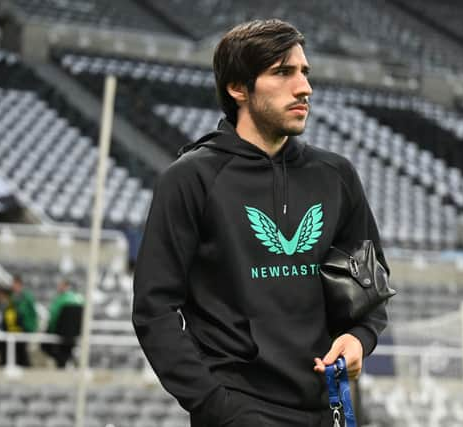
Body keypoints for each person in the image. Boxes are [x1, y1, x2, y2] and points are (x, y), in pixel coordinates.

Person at [133, 19, 388, 427]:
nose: (304, 87)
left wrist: (360, 339)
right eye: (283, 72)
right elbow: (154, 310)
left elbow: (367, 291)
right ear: (238, 88)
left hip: (326, 407)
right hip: (238, 409)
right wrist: (215, 405)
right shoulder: (189, 179)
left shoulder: (336, 175)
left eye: (304, 72)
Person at [41, 279, 84, 368]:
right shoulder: (80, 299)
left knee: (44, 346)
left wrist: (50, 331)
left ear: (65, 286)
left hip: (61, 336)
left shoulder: (60, 300)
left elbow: (53, 318)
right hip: (74, 336)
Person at [0, 285, 24, 366]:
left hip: (12, 333)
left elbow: (16, 321)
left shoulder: (12, 306)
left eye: (1, 294)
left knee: (15, 354)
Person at [10, 274, 37, 367]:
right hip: (14, 327)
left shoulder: (26, 297)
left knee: (21, 349)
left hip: (25, 327)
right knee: (16, 350)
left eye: (15, 284)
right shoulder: (12, 296)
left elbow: (32, 313)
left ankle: (27, 368)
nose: (13, 286)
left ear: (19, 284)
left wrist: (32, 327)